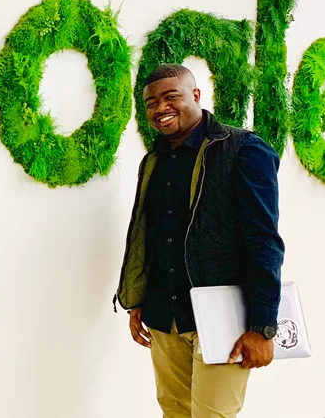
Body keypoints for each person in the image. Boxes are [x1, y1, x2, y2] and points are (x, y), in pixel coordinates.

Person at [112, 64, 286, 417]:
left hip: (225, 320)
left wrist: (264, 326)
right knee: (174, 413)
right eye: (150, 102)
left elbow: (264, 241)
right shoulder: (154, 160)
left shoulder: (242, 150)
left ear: (196, 95)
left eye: (170, 96)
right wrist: (137, 299)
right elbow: (149, 236)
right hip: (165, 314)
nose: (160, 108)